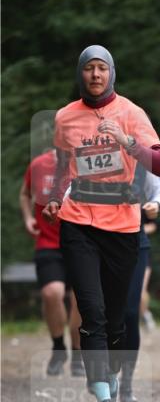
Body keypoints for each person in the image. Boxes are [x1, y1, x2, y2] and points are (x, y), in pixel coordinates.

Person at [45, 45, 160, 402]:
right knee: (92, 310)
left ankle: (109, 384)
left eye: (102, 68)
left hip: (122, 227)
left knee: (116, 318)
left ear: (111, 73)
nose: (95, 75)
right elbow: (64, 167)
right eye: (89, 69)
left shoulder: (132, 113)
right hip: (78, 223)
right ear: (80, 74)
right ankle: (102, 399)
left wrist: (127, 141)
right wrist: (53, 198)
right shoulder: (65, 117)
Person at [19, 146, 83, 376]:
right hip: (48, 243)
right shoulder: (39, 164)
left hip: (81, 244)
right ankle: (58, 348)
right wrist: (28, 218)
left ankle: (78, 352)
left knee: (80, 300)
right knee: (51, 293)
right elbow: (25, 193)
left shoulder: (86, 162)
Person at [118, 166, 160, 402]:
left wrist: (156, 205)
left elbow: (158, 191)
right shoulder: (92, 153)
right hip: (99, 242)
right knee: (103, 312)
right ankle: (104, 376)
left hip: (136, 242)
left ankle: (126, 384)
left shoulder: (140, 159)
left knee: (130, 312)